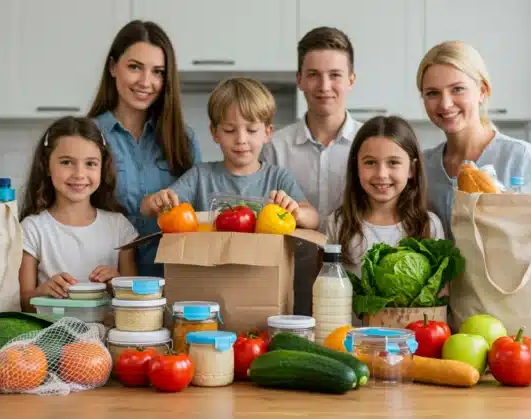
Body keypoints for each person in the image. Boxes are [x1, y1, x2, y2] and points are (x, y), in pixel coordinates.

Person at [88, 20, 201, 278]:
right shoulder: (89, 137)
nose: (146, 82)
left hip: (172, 281)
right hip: (102, 280)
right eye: (135, 67)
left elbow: (197, 216)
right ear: (113, 67)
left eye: (158, 72)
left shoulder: (183, 140)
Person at [140, 76, 320, 230]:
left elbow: (314, 218)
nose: (241, 139)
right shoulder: (200, 176)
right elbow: (147, 208)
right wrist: (154, 201)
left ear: (267, 132)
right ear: (215, 133)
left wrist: (297, 212)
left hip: (261, 270)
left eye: (251, 130)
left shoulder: (278, 178)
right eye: (229, 130)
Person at [417, 40, 531, 237]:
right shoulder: (423, 165)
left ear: (483, 91)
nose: (445, 104)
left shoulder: (519, 157)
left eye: (457, 89)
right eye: (433, 93)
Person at [18, 116, 139, 312]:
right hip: (51, 334)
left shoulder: (119, 227)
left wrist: (117, 284)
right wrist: (43, 292)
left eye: (90, 163)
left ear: (103, 167)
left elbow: (135, 302)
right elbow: (23, 301)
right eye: (67, 162)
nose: (79, 174)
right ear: (46, 165)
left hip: (107, 336)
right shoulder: (32, 228)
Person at [261, 26, 361, 233]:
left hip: (354, 264)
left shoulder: (371, 145)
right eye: (313, 75)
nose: (324, 86)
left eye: (335, 75)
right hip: (290, 264)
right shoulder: (274, 148)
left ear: (351, 80)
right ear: (299, 80)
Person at [326, 115, 444, 273]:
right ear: (356, 167)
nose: (381, 174)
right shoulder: (338, 223)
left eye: (393, 163)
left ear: (411, 169)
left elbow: (441, 290)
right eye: (370, 162)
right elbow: (325, 285)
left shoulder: (430, 225)